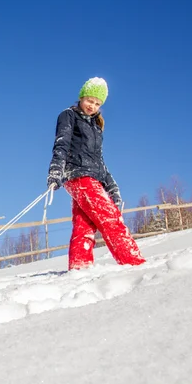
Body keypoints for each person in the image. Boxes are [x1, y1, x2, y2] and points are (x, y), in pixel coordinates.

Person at [46, 78, 146, 270]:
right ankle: (134, 263)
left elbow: (99, 161)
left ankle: (79, 267)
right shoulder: (68, 116)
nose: (92, 106)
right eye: (89, 100)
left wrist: (111, 186)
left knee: (84, 225)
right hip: (78, 175)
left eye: (97, 103)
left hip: (91, 177)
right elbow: (61, 144)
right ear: (81, 97)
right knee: (111, 218)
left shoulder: (95, 127)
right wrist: (56, 170)